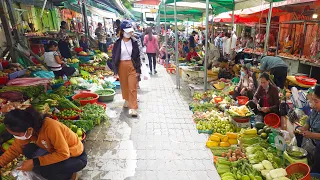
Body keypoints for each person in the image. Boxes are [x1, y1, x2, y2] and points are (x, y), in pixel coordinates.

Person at [0, 107, 87, 180]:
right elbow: (15, 149)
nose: (15, 137)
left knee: (46, 170)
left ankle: (70, 175)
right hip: (54, 152)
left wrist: (35, 162)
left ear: (29, 129)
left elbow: (63, 154)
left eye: (16, 135)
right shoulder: (28, 129)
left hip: (76, 157)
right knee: (28, 150)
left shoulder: (51, 127)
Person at [112, 21, 141, 117]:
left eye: (130, 31)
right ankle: (127, 100)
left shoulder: (134, 42)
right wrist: (115, 70)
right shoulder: (117, 43)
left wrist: (138, 70)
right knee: (124, 86)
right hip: (121, 66)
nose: (129, 33)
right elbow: (114, 56)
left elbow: (137, 57)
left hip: (131, 65)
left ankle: (133, 108)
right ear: (122, 31)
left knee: (132, 87)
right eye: (127, 31)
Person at [295, 85, 320, 173]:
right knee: (297, 130)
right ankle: (303, 157)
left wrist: (310, 134)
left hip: (318, 142)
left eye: (315, 101)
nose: (312, 104)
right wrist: (303, 128)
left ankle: (315, 171)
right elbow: (308, 122)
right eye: (312, 100)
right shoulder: (315, 109)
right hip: (312, 138)